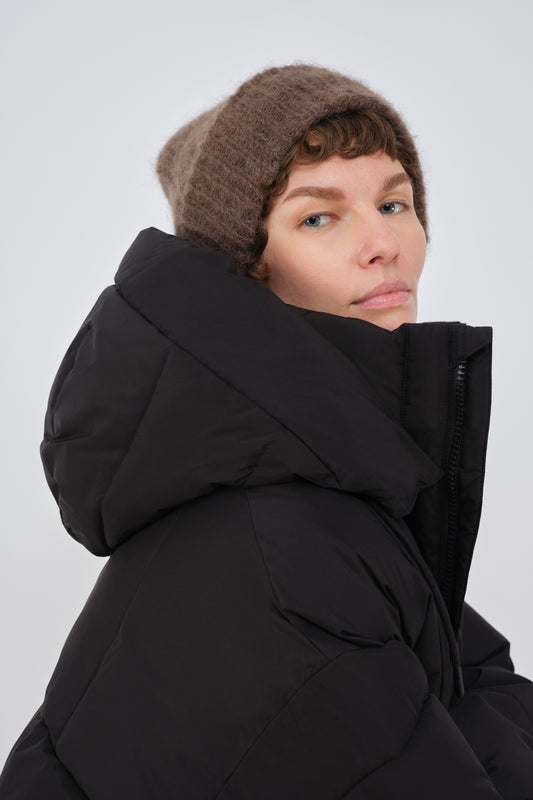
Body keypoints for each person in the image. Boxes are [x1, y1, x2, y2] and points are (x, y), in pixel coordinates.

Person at [1, 63, 532, 799]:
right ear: (246, 270)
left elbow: (470, 673)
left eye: (393, 202)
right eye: (318, 217)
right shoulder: (284, 544)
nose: (384, 242)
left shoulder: (331, 483)